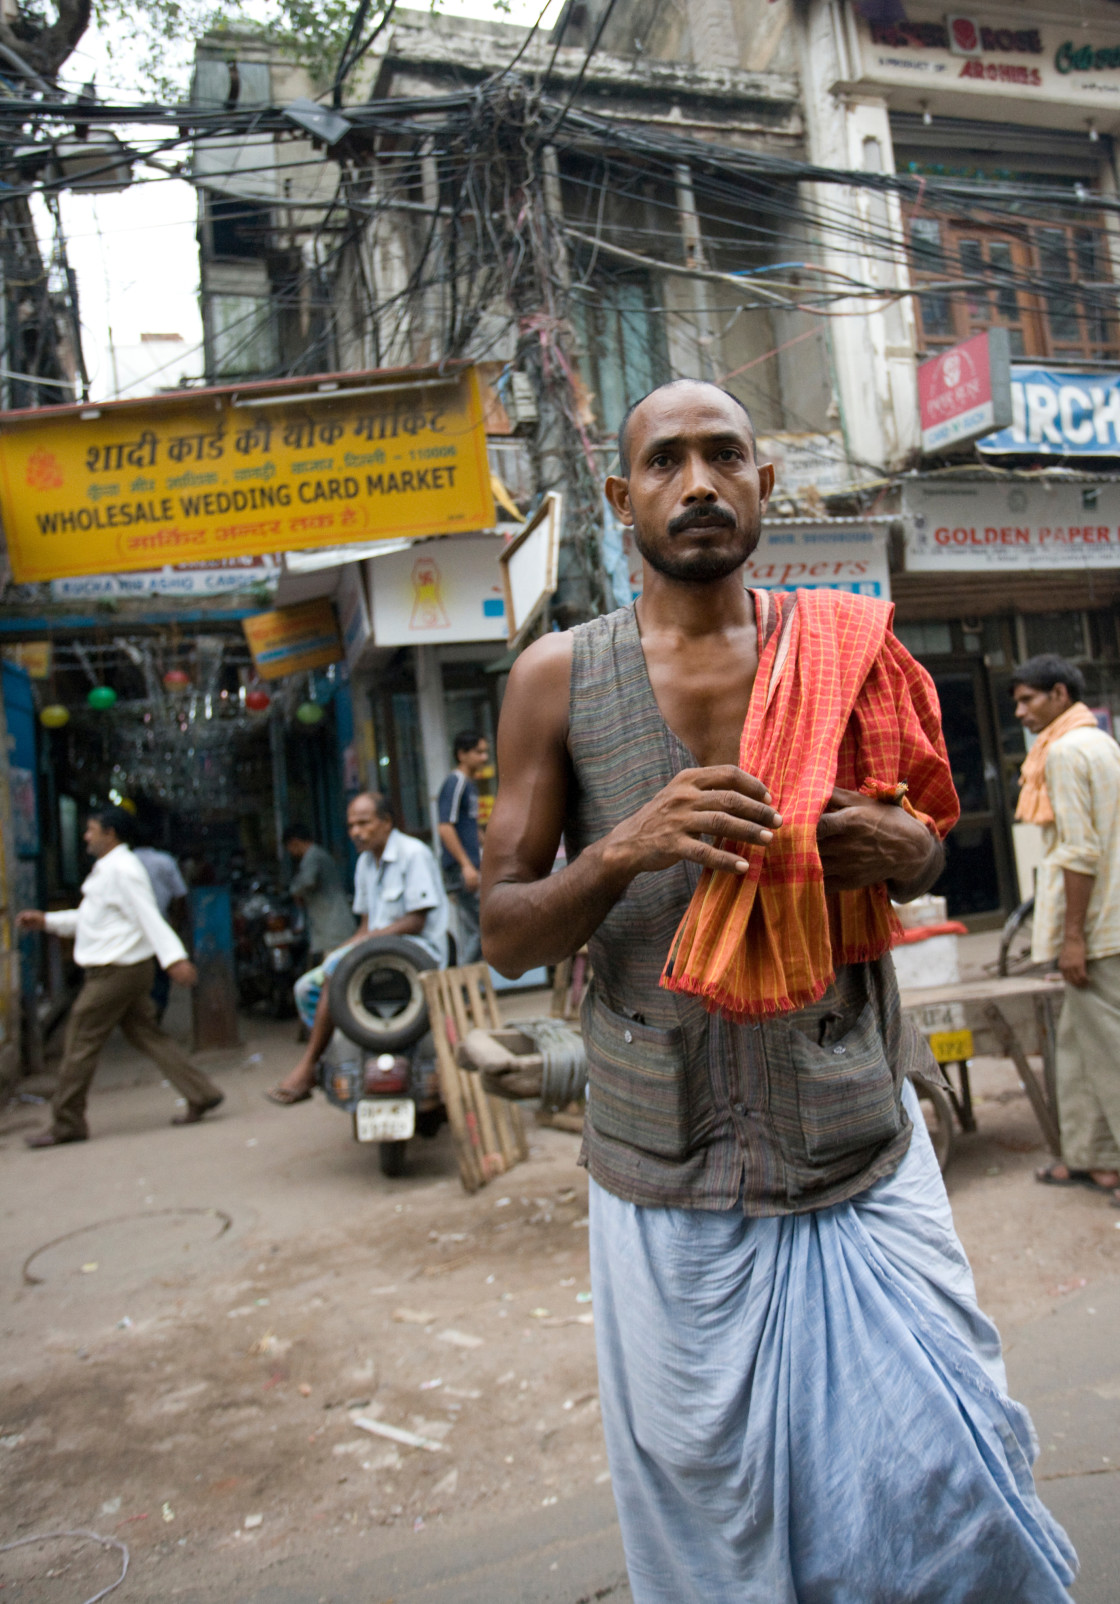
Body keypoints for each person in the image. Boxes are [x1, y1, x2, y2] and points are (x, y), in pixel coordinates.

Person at [480, 379, 1075, 1602]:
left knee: (948, 1486)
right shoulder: (553, 678)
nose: (696, 482)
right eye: (665, 461)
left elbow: (925, 842)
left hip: (854, 1137)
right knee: (710, 1499)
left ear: (762, 484)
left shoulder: (848, 649)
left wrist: (903, 853)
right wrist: (622, 850)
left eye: (723, 455)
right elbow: (501, 932)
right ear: (620, 496)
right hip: (663, 1171)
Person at [17, 806, 224, 1147]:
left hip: (116, 970)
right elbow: (92, 919)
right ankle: (201, 1093)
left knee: (80, 1041)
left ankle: (67, 1121)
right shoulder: (108, 870)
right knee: (146, 1034)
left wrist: (174, 958)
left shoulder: (123, 870)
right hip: (122, 968)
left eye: (91, 829)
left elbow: (148, 915)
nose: (86, 836)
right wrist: (47, 922)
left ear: (110, 833)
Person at [1013, 655, 1120, 1207]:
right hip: (1107, 920)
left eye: (1029, 699)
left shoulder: (1067, 751)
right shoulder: (1098, 742)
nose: (1020, 711)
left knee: (1109, 1050)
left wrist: (1073, 938)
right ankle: (1094, 1160)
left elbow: (1081, 851)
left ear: (1059, 693)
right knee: (1079, 1045)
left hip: (1101, 929)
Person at [267, 792, 448, 1105]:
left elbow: (416, 921)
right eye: (351, 825)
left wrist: (360, 947)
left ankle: (308, 1065)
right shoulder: (365, 863)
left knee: (337, 975)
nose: (355, 832)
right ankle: (333, 1054)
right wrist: (342, 951)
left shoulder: (413, 853)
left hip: (418, 951)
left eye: (364, 823)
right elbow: (365, 926)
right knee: (306, 987)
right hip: (376, 952)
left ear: (387, 822)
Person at [437, 730, 489, 964]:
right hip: (461, 868)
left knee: (474, 930)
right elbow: (445, 826)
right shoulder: (455, 782)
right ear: (462, 754)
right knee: (480, 930)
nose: (484, 758)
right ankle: (463, 988)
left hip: (470, 865)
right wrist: (466, 866)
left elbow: (469, 827)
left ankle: (470, 989)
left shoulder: (469, 784)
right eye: (478, 752)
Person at [282, 823, 356, 964]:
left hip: (332, 922)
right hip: (330, 921)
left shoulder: (313, 856)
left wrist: (294, 891)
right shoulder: (317, 854)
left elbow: (308, 881)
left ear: (294, 843)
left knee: (335, 965)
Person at [133, 837, 189, 1021]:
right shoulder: (165, 861)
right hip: (161, 923)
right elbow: (180, 893)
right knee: (161, 970)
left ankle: (144, 1010)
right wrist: (176, 922)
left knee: (137, 971)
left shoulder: (124, 862)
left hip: (132, 930)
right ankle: (156, 1008)